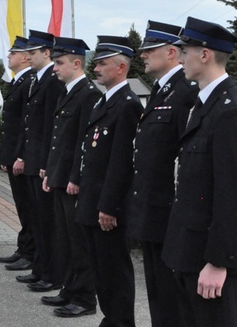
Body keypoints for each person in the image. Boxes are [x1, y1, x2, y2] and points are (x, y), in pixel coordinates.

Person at [163, 17, 237, 327]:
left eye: (185, 51)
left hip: (213, 258)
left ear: (205, 55)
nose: (181, 58)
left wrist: (218, 262)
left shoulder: (231, 110)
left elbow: (236, 195)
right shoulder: (207, 104)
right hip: (192, 250)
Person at [127, 21, 198, 327]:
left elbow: (187, 160)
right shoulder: (161, 91)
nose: (143, 56)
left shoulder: (184, 93)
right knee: (157, 293)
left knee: (172, 297)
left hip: (169, 211)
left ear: (172, 53)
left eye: (149, 50)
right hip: (152, 210)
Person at [76, 36, 143, 327]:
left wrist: (109, 207)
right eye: (96, 62)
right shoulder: (105, 101)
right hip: (93, 200)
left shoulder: (127, 105)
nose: (96, 68)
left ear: (120, 67)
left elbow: (121, 163)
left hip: (108, 207)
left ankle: (121, 322)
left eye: (102, 63)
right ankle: (111, 319)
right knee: (101, 269)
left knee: (115, 270)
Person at [40, 37, 101, 317]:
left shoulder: (88, 94)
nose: (55, 68)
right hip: (61, 177)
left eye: (60, 62)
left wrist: (75, 177)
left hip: (72, 181)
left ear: (77, 63)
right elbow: (58, 139)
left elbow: (82, 142)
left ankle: (85, 298)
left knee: (79, 242)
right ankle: (70, 288)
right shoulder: (68, 91)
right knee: (65, 238)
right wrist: (50, 171)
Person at [11, 30, 66, 292]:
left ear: (47, 53)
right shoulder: (37, 80)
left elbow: (50, 127)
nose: (29, 57)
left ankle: (52, 273)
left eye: (33, 53)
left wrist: (46, 164)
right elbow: (28, 124)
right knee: (38, 219)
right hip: (33, 160)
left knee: (47, 222)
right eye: (28, 53)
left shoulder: (52, 82)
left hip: (42, 163)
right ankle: (41, 269)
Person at [0, 37, 36, 271]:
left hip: (21, 155)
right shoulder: (18, 81)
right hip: (13, 154)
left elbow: (25, 125)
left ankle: (30, 252)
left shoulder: (28, 81)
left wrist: (19, 155)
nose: (9, 57)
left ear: (25, 57)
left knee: (28, 206)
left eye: (13, 53)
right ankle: (24, 247)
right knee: (22, 206)